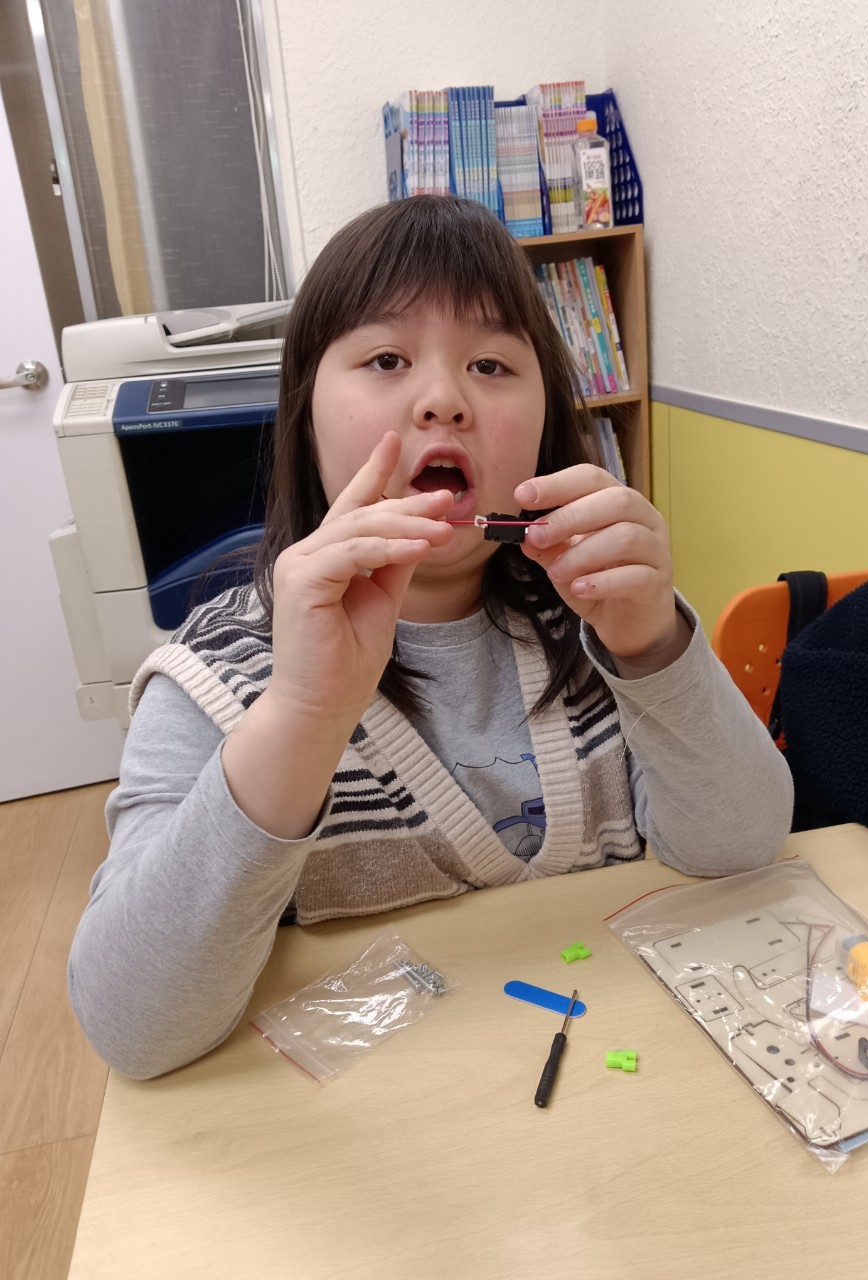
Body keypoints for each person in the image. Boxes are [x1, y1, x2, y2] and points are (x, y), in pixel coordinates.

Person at [68, 196, 793, 1079]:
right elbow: (133, 1030)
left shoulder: (600, 615)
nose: (445, 400)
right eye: (386, 359)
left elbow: (741, 852)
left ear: (547, 420)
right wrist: (302, 715)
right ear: (303, 411)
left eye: (491, 364)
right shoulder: (216, 679)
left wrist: (652, 650)